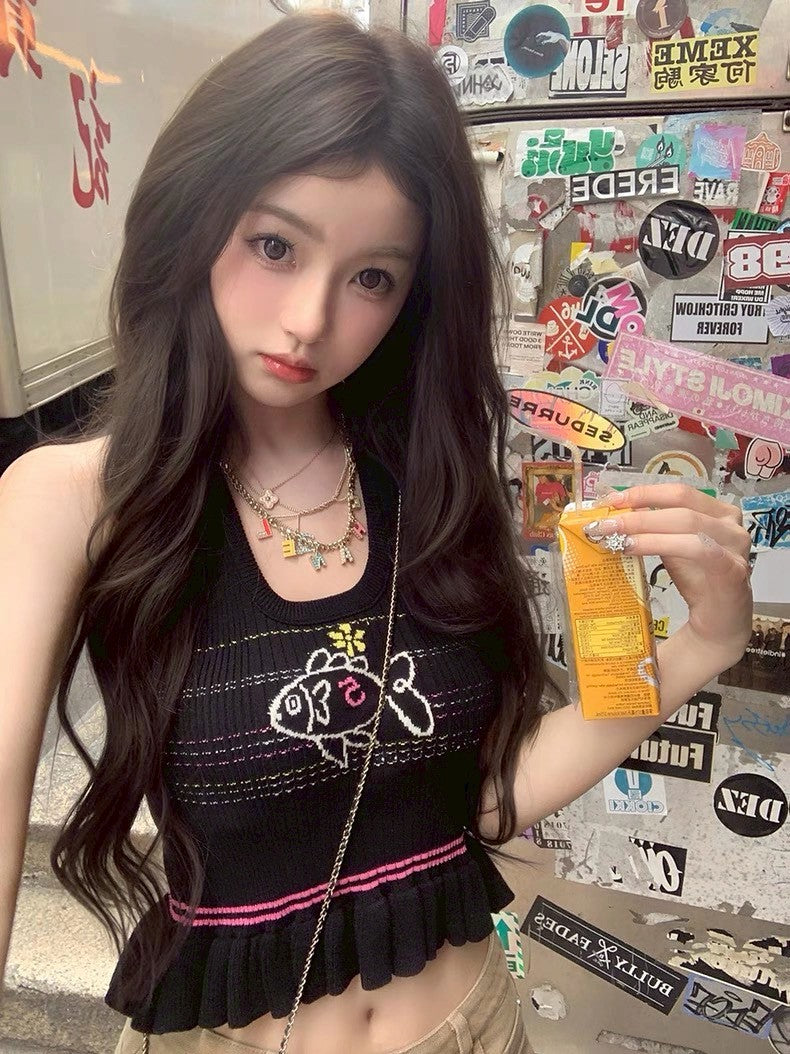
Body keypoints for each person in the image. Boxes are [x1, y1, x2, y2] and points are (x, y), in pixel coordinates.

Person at [0, 12, 754, 1054]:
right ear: (193, 217)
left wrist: (702, 645)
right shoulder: (75, 499)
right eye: (274, 245)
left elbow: (479, 803)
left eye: (372, 278)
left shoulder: (425, 485)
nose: (309, 318)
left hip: (471, 1027)